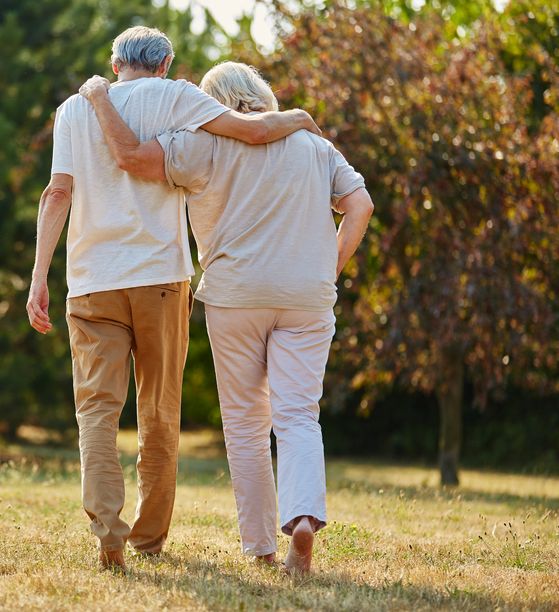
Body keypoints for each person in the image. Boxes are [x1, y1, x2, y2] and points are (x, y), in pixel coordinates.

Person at [26, 28, 321, 571]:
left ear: (114, 63)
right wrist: (299, 118)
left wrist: (39, 275)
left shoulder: (73, 109)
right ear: (165, 62)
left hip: (91, 282)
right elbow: (252, 132)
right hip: (162, 280)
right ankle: (149, 539)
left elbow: (58, 192)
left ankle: (107, 535)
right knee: (158, 413)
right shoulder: (179, 95)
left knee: (96, 412)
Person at [78, 61, 374, 574]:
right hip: (307, 295)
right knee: (299, 415)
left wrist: (105, 100)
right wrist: (328, 269)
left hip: (235, 295)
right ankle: (302, 519)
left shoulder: (202, 143)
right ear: (261, 95)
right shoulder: (312, 143)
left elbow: (132, 158)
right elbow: (361, 205)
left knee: (244, 424)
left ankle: (259, 546)